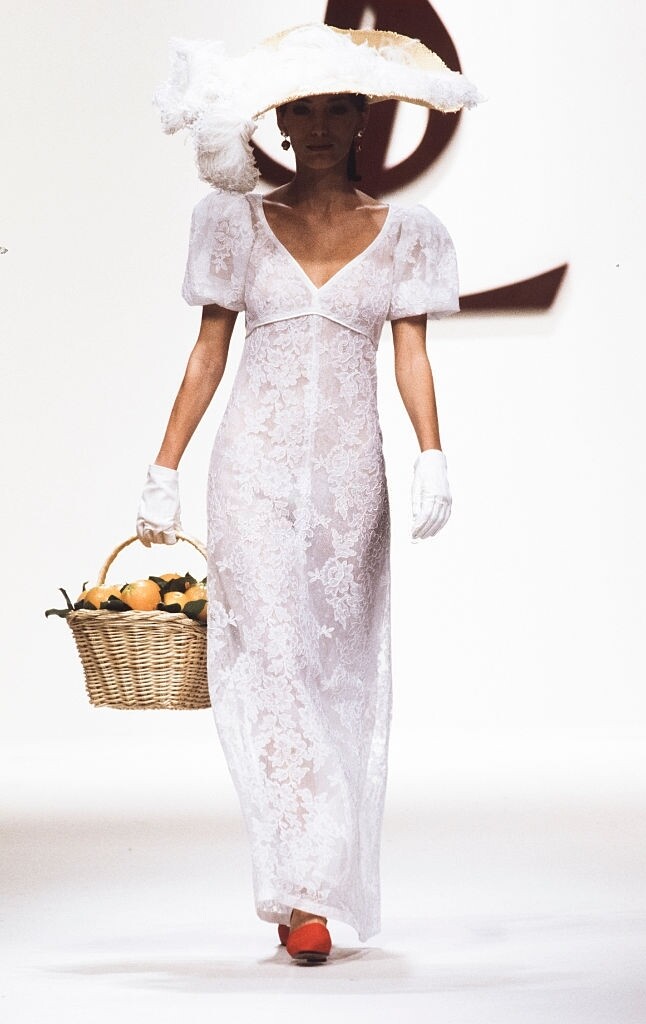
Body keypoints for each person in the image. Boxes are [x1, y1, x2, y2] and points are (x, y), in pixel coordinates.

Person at [137, 23, 481, 964]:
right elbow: (208, 353)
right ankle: (301, 892)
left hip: (348, 478)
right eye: (303, 110)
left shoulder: (409, 233)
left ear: (364, 119)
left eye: (337, 109)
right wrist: (164, 467)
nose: (320, 126)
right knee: (275, 664)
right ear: (278, 122)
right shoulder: (232, 224)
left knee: (335, 669)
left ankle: (316, 877)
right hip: (250, 466)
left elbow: (411, 356)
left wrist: (432, 453)